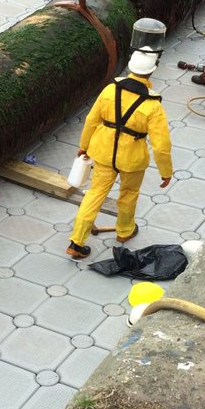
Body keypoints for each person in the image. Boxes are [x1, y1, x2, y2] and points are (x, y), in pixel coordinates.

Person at [66, 45, 172, 259]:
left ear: (131, 67)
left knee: (95, 194)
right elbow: (161, 144)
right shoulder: (153, 105)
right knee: (128, 194)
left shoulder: (109, 90)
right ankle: (124, 232)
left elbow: (91, 120)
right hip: (132, 158)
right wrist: (165, 171)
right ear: (151, 71)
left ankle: (76, 242)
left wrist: (84, 146)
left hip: (103, 152)